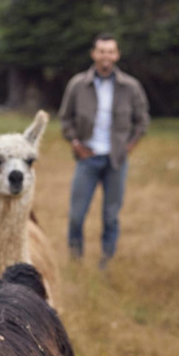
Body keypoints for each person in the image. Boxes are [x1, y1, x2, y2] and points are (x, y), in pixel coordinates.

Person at [58, 33, 149, 269]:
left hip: (116, 160)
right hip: (87, 159)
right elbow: (65, 119)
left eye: (110, 51)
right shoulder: (78, 84)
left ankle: (106, 263)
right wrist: (76, 143)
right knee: (77, 215)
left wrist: (129, 147)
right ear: (94, 54)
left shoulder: (130, 86)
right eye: (101, 51)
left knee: (111, 216)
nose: (105, 56)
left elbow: (142, 121)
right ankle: (76, 261)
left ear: (116, 55)